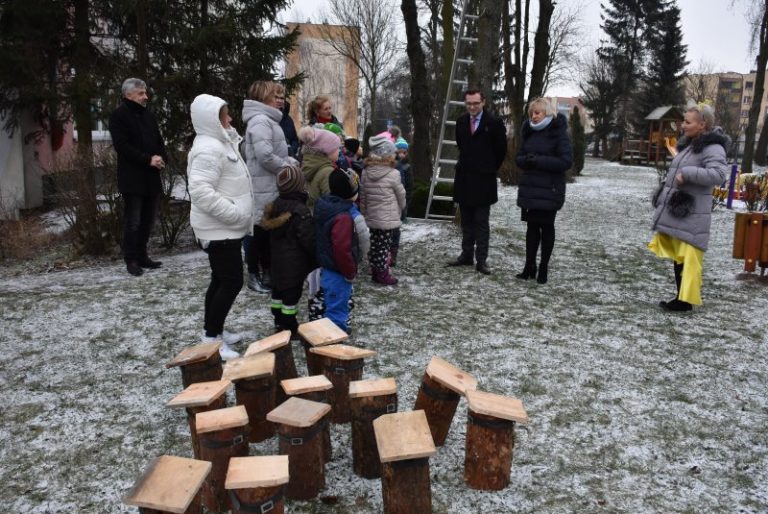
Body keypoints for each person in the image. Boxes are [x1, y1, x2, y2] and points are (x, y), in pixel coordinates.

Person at [187, 94, 253, 360]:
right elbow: (201, 191)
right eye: (225, 115)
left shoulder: (220, 142)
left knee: (220, 279)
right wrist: (234, 214)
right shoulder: (209, 148)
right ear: (212, 119)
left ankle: (214, 330)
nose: (230, 119)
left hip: (225, 228)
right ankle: (211, 337)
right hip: (220, 228)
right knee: (231, 281)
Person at [649, 103, 729, 311]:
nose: (682, 125)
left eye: (687, 121)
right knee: (680, 255)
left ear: (702, 125)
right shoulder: (691, 144)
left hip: (693, 213)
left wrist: (689, 173)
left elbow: (719, 175)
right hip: (683, 210)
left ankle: (684, 301)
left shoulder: (712, 147)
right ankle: (680, 298)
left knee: (689, 257)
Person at [242, 81, 299, 294]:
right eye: (276, 96)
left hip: (271, 185)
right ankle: (254, 276)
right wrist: (288, 166)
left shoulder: (269, 120)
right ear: (263, 98)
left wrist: (288, 162)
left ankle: (268, 272)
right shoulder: (260, 121)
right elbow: (265, 156)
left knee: (267, 232)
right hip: (262, 186)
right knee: (259, 232)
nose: (281, 100)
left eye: (282, 96)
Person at [108, 78, 167, 276]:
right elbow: (122, 146)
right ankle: (131, 259)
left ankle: (142, 256)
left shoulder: (148, 115)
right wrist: (147, 159)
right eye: (141, 93)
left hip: (151, 176)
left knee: (148, 220)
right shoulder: (119, 116)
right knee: (133, 221)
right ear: (128, 95)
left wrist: (160, 158)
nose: (145, 97)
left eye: (145, 93)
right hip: (132, 178)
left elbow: (158, 140)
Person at [447, 87, 507, 275]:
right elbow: (461, 145)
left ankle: (481, 260)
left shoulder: (494, 123)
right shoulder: (461, 122)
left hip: (483, 180)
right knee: (466, 221)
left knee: (481, 222)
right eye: (469, 103)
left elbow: (501, 151)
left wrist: (487, 167)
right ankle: (466, 255)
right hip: (464, 178)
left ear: (483, 102)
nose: (472, 107)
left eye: (476, 103)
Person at [515, 98, 573, 284]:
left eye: (538, 112)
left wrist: (539, 161)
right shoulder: (529, 132)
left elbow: (565, 161)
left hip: (550, 189)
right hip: (531, 188)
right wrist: (527, 160)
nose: (534, 116)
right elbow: (519, 156)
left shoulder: (558, 134)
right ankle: (529, 266)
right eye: (532, 112)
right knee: (531, 228)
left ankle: (543, 268)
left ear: (547, 113)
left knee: (546, 228)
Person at [261, 164, 316, 338]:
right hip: (295, 264)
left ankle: (278, 320)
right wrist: (316, 255)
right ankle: (290, 327)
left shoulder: (276, 205)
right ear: (299, 186)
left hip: (277, 261)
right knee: (291, 298)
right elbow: (307, 238)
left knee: (278, 293)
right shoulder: (300, 210)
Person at [314, 168, 367, 333]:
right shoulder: (343, 217)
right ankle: (333, 340)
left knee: (330, 303)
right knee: (337, 309)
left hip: (327, 266)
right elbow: (342, 249)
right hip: (338, 271)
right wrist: (350, 272)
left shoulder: (325, 206)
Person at [359, 135, 406, 285]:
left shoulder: (366, 172)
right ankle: (382, 273)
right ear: (387, 155)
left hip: (372, 216)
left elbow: (363, 195)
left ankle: (374, 269)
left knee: (374, 244)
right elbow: (401, 195)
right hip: (388, 218)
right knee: (384, 246)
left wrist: (364, 212)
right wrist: (402, 207)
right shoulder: (394, 174)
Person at [391, 137, 413, 267]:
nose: (402, 154)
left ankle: (393, 254)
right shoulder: (392, 165)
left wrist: (405, 204)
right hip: (389, 201)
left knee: (396, 230)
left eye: (404, 152)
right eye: (399, 151)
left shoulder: (407, 167)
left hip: (400, 202)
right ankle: (386, 253)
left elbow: (409, 187)